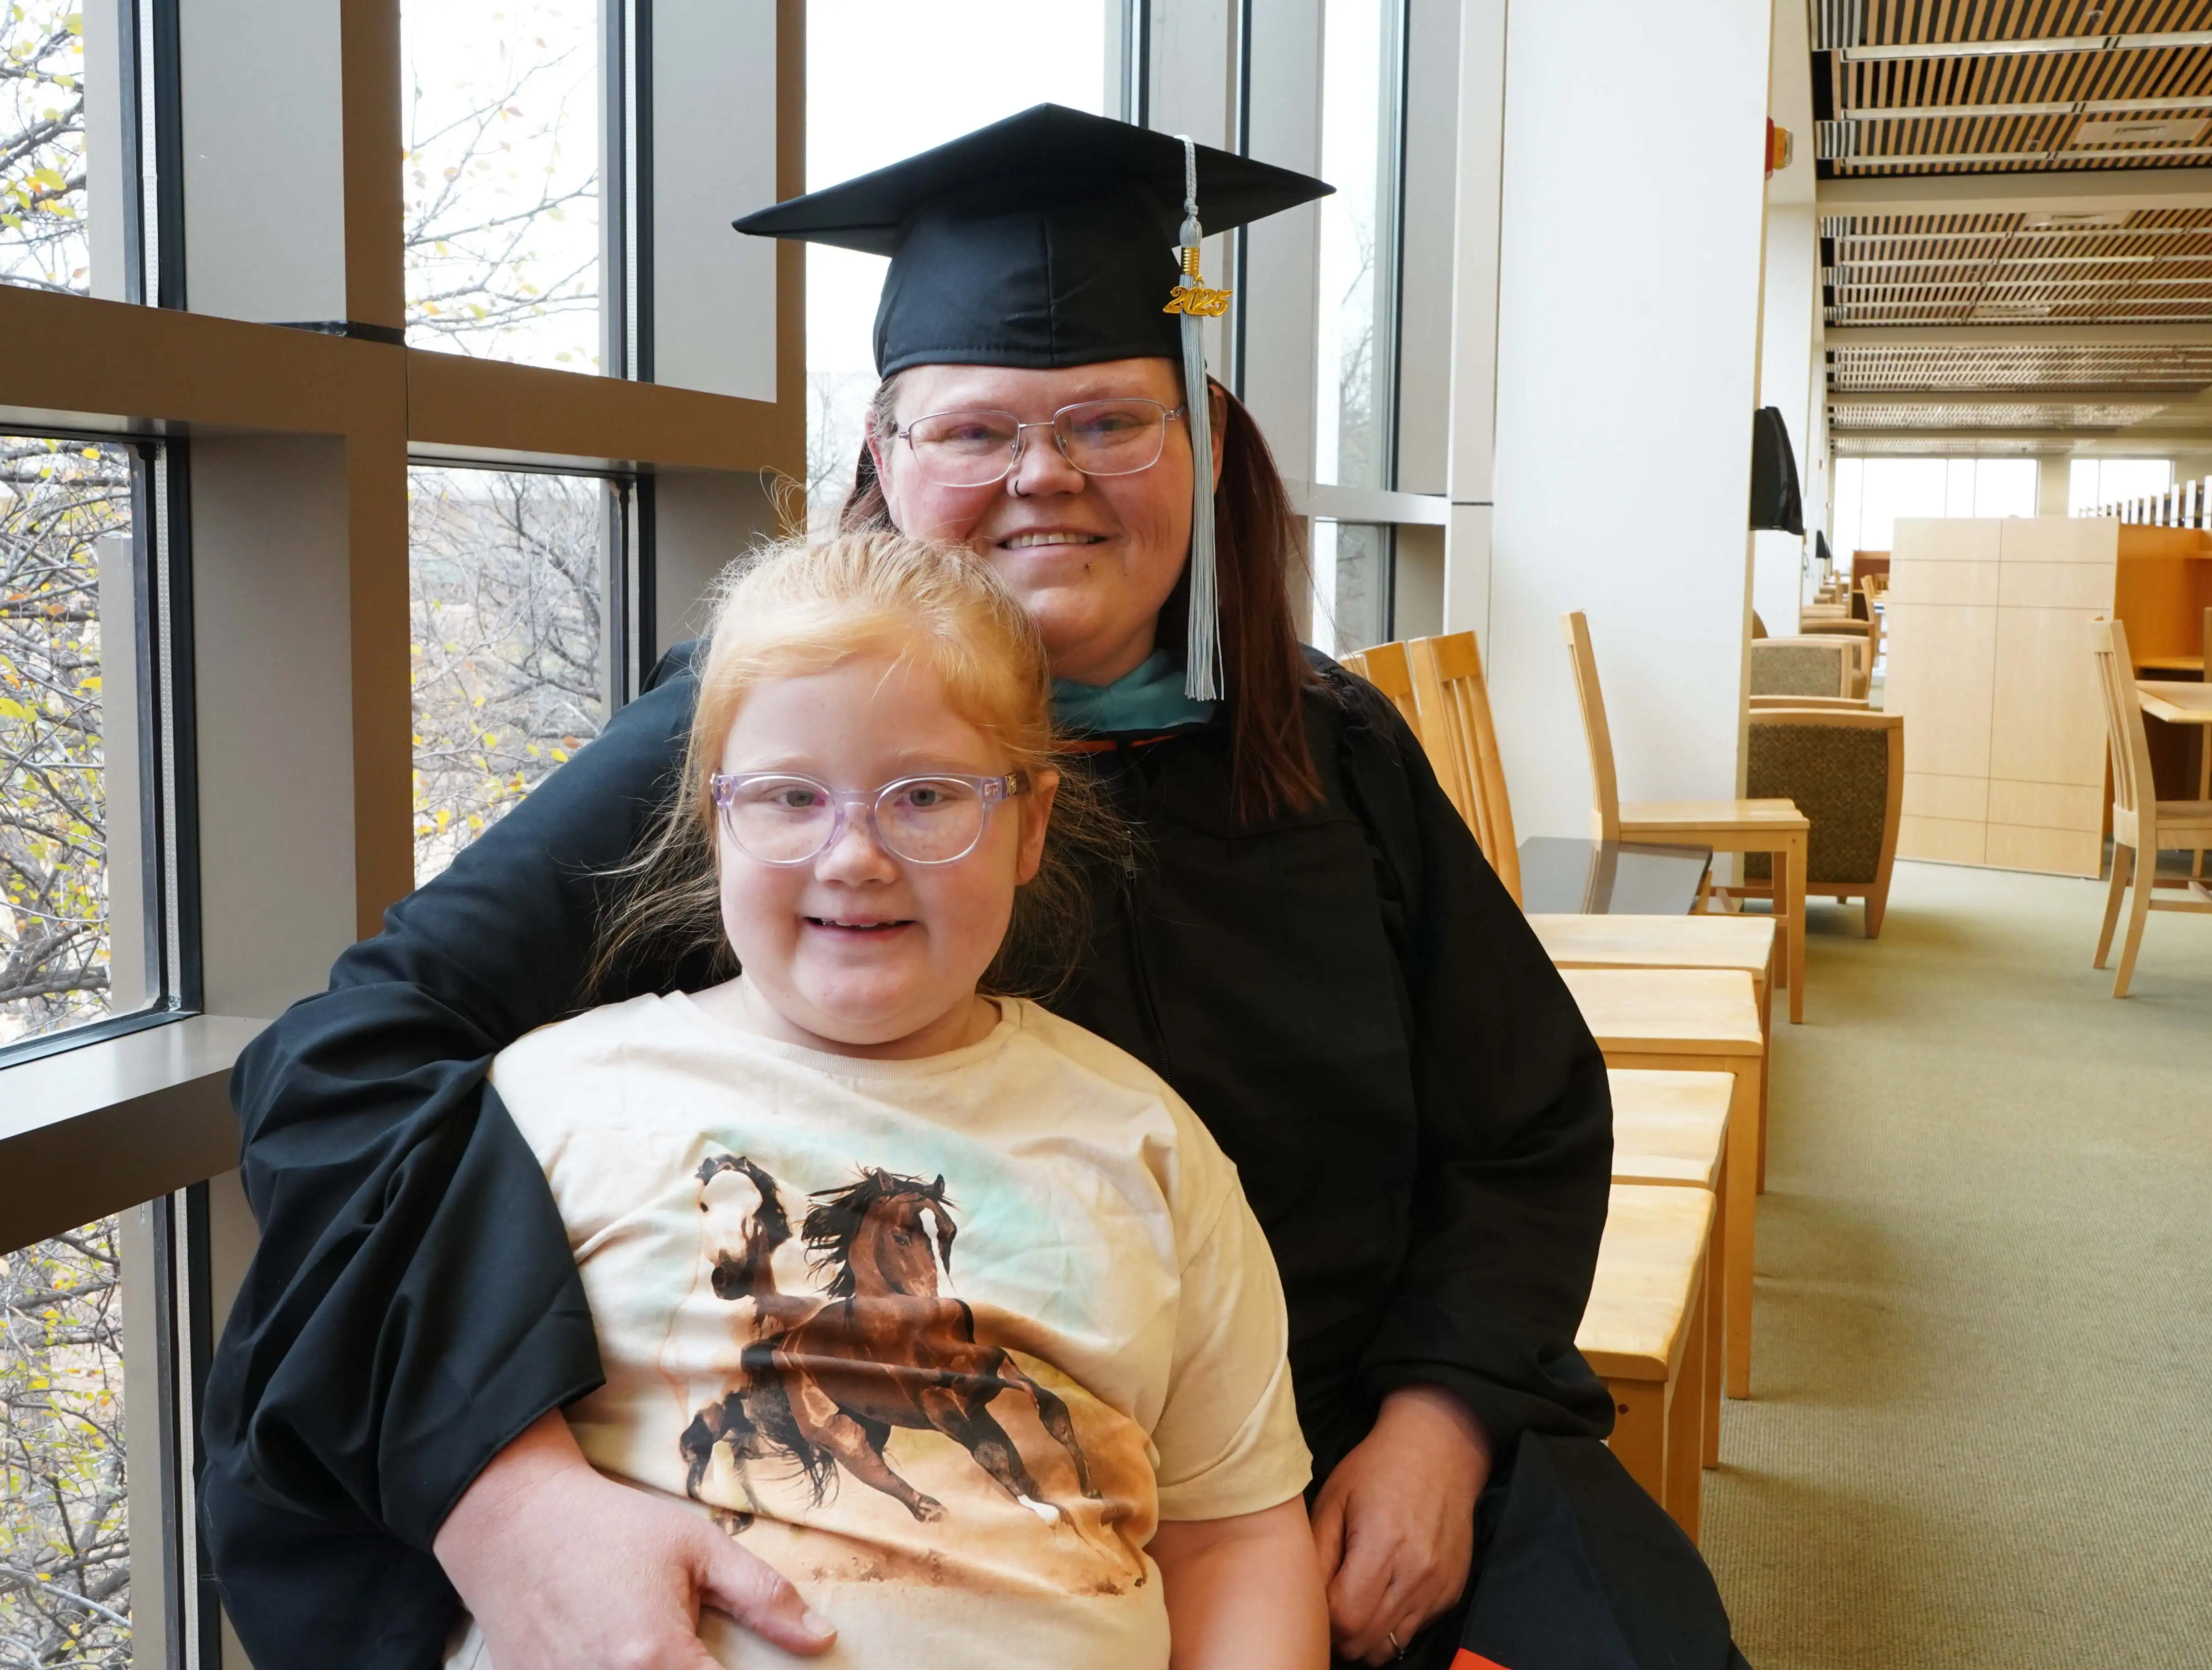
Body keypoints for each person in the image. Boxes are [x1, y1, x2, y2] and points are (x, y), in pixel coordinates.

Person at [203, 106, 1742, 1670]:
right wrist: (517, 1497)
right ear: (883, 454)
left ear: (1204, 441)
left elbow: (1520, 1120)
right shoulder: (752, 751)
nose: (1042, 481)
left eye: (1105, 424)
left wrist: (1440, 1430)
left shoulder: (1330, 749)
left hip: (1332, 1459)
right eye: (974, 431)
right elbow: (353, 1067)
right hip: (894, 1484)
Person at [433, 529, 1323, 1670]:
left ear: (1031, 827)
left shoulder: (1145, 1140)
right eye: (791, 797)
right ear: (715, 824)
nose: (854, 855)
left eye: (927, 796)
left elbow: (1236, 1537)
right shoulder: (547, 1099)